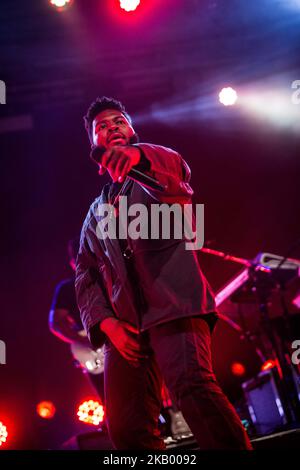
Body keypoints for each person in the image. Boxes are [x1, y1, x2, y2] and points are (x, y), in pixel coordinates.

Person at [75, 96, 252, 450]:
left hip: (176, 308)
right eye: (102, 127)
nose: (111, 128)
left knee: (194, 390)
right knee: (125, 430)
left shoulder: (158, 172)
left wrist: (138, 157)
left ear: (132, 130)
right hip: (125, 328)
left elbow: (176, 173)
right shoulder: (95, 213)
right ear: (92, 145)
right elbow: (86, 274)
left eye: (119, 121)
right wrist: (108, 325)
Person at [49, 238, 105, 404]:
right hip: (94, 350)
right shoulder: (67, 288)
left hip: (115, 339)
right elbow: (56, 323)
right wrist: (84, 341)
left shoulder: (105, 277)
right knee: (108, 398)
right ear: (72, 263)